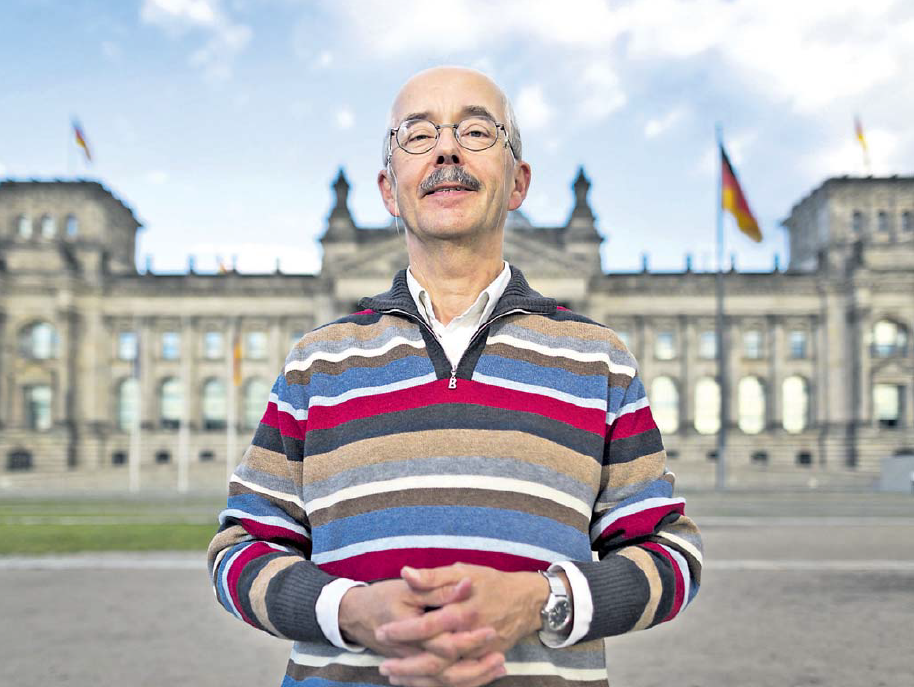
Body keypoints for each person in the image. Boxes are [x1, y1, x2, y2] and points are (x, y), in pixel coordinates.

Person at [207, 66, 703, 687]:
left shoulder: (598, 359)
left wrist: (541, 601)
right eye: (417, 135)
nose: (446, 148)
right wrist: (349, 611)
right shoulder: (317, 361)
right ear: (390, 190)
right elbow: (237, 551)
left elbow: (673, 555)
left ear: (518, 181)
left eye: (475, 130)